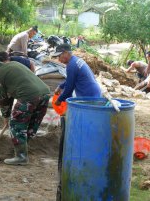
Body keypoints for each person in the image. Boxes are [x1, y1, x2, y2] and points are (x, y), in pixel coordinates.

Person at [52, 43, 101, 201]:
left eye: (60, 56)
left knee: (87, 127)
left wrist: (58, 100)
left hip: (89, 98)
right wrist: (60, 86)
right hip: (92, 93)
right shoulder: (74, 62)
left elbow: (70, 87)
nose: (59, 59)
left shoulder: (71, 65)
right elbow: (69, 81)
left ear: (66, 53)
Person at [0, 54, 50, 165]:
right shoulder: (14, 64)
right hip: (45, 94)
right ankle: (21, 150)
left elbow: (3, 100)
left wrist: (6, 117)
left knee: (16, 124)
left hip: (28, 96)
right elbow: (14, 91)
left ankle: (21, 157)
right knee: (32, 124)